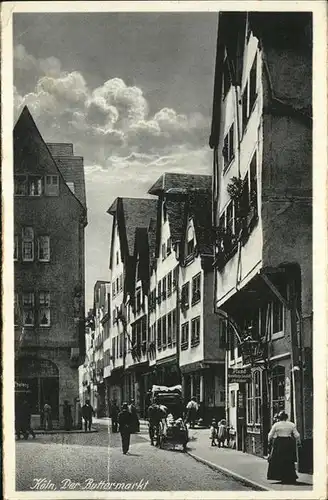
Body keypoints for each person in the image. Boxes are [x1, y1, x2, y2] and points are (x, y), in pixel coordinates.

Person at [267, 410, 301, 484]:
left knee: (278, 459)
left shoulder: (276, 425)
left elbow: (270, 435)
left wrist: (269, 442)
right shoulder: (291, 424)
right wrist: (299, 442)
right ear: (286, 417)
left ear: (280, 417)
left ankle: (280, 476)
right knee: (289, 460)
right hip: (288, 443)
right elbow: (297, 435)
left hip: (279, 443)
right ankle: (289, 476)